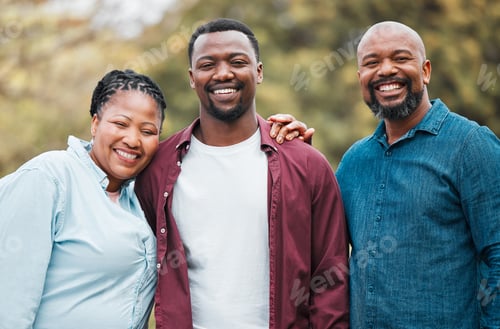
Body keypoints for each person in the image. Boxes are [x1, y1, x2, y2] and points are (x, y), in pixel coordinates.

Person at [135, 18, 349, 329]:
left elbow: (331, 279)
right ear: (192, 78)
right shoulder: (157, 168)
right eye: (208, 64)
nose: (223, 73)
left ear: (258, 72)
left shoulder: (307, 165)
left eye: (237, 62)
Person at [334, 21, 500, 328]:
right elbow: (325, 252)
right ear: (361, 79)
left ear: (425, 71)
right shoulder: (353, 162)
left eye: (400, 58)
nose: (385, 70)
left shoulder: (470, 146)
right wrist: (294, 153)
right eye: (372, 63)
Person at [0, 69, 167, 328]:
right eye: (121, 124)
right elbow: (9, 303)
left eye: (148, 131)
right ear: (95, 123)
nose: (133, 140)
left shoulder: (140, 200)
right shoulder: (49, 177)